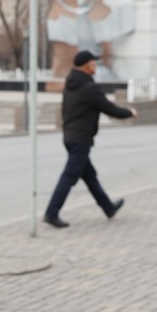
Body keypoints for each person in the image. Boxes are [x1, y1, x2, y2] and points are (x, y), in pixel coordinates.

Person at [43, 50, 138, 228]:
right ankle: (51, 212)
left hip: (70, 136)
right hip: (80, 139)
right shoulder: (89, 88)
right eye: (93, 62)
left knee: (90, 176)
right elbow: (110, 108)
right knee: (69, 176)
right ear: (86, 66)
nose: (95, 65)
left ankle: (108, 207)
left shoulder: (71, 84)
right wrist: (129, 113)